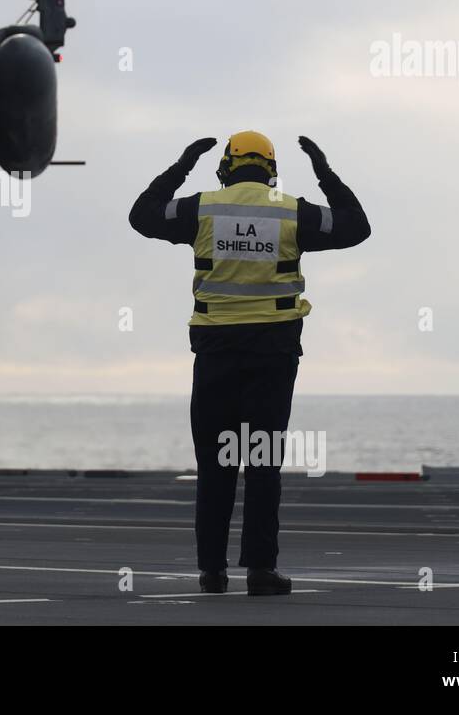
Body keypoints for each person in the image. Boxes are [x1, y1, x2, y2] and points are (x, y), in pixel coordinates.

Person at [129, 131, 371, 595]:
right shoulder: (291, 211)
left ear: (226, 166)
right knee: (262, 463)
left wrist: (181, 165)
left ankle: (212, 572)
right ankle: (261, 571)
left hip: (215, 355)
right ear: (271, 169)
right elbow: (356, 226)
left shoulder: (201, 208)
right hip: (273, 356)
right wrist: (325, 172)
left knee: (215, 466)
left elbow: (142, 216)